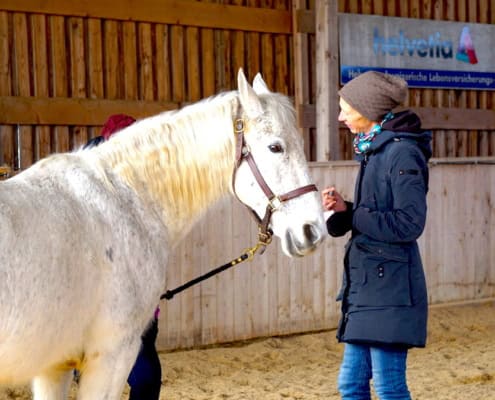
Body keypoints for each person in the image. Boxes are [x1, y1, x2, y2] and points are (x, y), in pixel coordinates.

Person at [321, 71, 432, 400]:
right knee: (351, 386)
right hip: (368, 288)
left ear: (368, 109)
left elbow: (409, 223)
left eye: (346, 109)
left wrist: (355, 214)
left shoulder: (401, 154)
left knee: (389, 388)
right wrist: (344, 210)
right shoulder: (373, 151)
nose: (340, 116)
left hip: (391, 290)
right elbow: (374, 214)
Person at [84, 114, 162, 400]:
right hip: (93, 311)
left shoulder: (146, 187)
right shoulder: (88, 185)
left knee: (146, 377)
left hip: (136, 311)